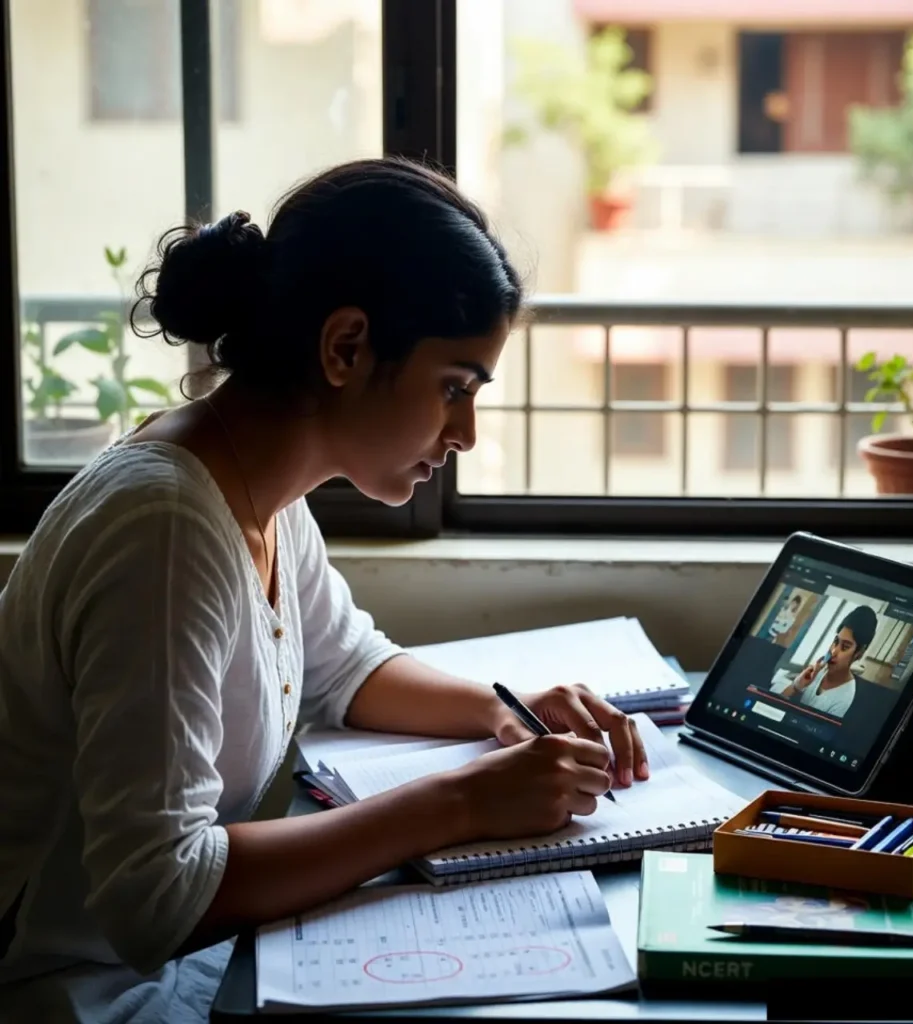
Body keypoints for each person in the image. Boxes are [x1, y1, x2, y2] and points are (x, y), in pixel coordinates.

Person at [0, 159, 650, 1005]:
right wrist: (459, 804)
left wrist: (505, 711)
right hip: (69, 988)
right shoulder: (163, 529)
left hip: (155, 966)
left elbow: (349, 670)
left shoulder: (259, 489)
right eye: (454, 387)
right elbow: (154, 897)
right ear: (346, 347)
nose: (468, 433)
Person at [770, 605, 878, 719]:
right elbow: (772, 705)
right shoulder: (820, 671)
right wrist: (796, 686)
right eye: (836, 641)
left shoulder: (844, 699)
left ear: (859, 653)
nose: (833, 651)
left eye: (845, 647)